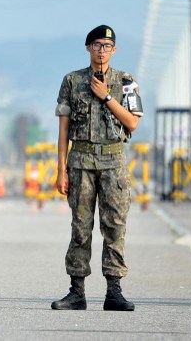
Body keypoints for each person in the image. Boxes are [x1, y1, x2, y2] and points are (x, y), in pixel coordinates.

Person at [51, 25, 143, 311]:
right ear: (88, 48)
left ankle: (114, 291)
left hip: (114, 164)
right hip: (80, 162)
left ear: (114, 50)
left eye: (106, 45)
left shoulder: (126, 81)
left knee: (115, 228)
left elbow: (132, 122)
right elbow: (63, 128)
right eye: (96, 45)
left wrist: (106, 96)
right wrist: (60, 169)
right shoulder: (71, 80)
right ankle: (76, 291)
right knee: (80, 228)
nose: (101, 50)